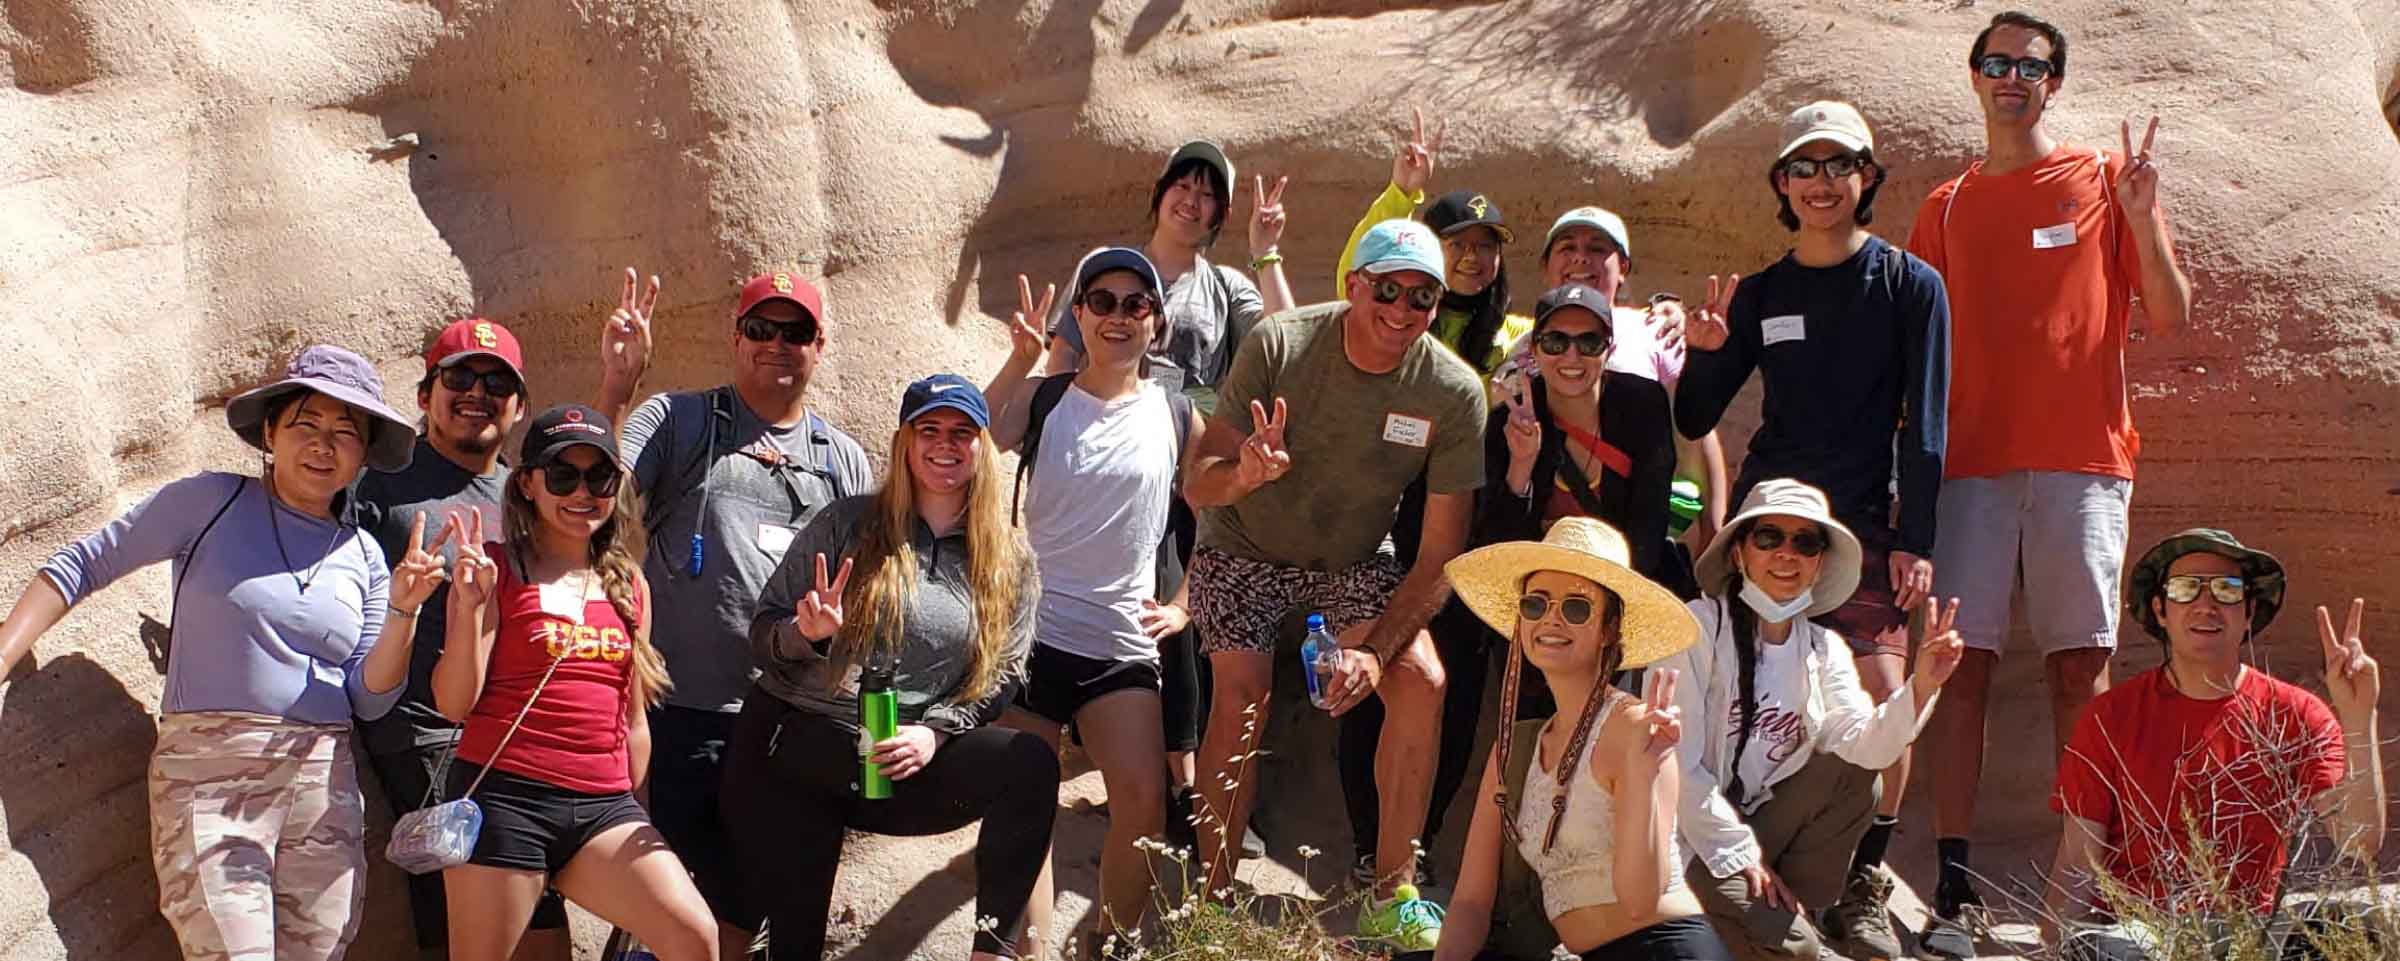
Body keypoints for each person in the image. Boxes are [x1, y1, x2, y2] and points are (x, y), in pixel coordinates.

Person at [1903, 12, 2193, 955]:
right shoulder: (1943, 208)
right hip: (1972, 468)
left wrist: (2145, 218)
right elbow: (1918, 352)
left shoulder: (2103, 182)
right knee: (1963, 669)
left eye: (2030, 66)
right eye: (1996, 63)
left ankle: (2091, 891)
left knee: (2081, 668)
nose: (2011, 78)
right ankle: (1953, 888)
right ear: (1975, 77)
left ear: (2054, 83)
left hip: (2081, 459)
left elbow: (2170, 310)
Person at [0, 345, 423, 960]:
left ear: (363, 455)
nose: (323, 445)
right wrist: (6, 650)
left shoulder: (363, 556)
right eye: (306, 424)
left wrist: (404, 609)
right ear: (270, 432)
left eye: (345, 433)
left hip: (322, 788)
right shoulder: (211, 502)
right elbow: (83, 564)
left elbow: (368, 698)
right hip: (210, 776)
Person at [1676, 101, 1952, 960]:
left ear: (1867, 178)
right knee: (1743, 685)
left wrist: (1919, 537)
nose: (1822, 182)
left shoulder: (1910, 284)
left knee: (1877, 699)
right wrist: (1707, 350)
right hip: (1773, 523)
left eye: (1840, 165)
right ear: (1783, 186)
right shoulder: (1760, 294)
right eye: (1805, 167)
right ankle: (1736, 859)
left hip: (1866, 525)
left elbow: (1929, 423)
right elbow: (1695, 411)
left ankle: (1860, 883)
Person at [1185, 218, 1485, 950]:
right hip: (1243, 545)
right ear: (1355, 283)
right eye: (1387, 288)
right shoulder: (1282, 343)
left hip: (1350, 559)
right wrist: (1246, 473)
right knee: (1242, 692)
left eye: (1422, 296)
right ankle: (1214, 893)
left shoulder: (1453, 392)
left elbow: (1440, 555)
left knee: (1422, 679)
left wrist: (1378, 653)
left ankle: (1392, 890)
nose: (1401, 308)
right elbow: (1200, 483)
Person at [727, 375, 1054, 961]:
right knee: (791, 946)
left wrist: (937, 731)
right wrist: (807, 634)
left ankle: (993, 952)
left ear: (983, 445)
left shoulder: (1010, 558)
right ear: (906, 442)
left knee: (1028, 763)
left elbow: (1005, 674)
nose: (944, 445)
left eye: (961, 432)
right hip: (803, 749)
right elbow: (762, 638)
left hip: (903, 758)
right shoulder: (846, 525)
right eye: (928, 430)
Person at [596, 267, 875, 952]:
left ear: (820, 344)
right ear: (735, 336)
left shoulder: (841, 460)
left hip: (785, 725)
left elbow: (872, 602)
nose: (777, 343)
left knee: (740, 914)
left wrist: (870, 733)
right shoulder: (680, 418)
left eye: (796, 331)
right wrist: (617, 390)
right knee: (658, 911)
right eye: (760, 327)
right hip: (680, 715)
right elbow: (598, 497)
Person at [1040, 140, 1291, 850]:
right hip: (1105, 456)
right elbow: (1061, 364)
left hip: (1184, 454)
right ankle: (1158, 775)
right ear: (1158, 195)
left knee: (1182, 614)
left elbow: (1283, 337)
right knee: (1145, 607)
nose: (1193, 200)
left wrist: (1267, 253)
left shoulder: (1226, 286)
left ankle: (1192, 785)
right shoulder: (1106, 270)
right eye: (1182, 185)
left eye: (1209, 193)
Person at [1331, 114, 1542, 887]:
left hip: (1475, 534)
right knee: (1375, 674)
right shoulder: (1393, 314)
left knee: (1459, 695)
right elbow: (1353, 273)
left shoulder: (1515, 332)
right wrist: (1401, 192)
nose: (1477, 258)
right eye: (1460, 243)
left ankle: (1414, 844)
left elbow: (1578, 337)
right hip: (1388, 529)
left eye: (1487, 246)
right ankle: (1367, 842)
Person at [430, 404, 717, 961]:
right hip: (508, 798)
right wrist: (466, 611)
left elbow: (631, 717)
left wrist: (640, 816)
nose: (582, 492)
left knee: (694, 937)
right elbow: (452, 702)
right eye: (563, 475)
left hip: (604, 807)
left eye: (599, 476)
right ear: (529, 484)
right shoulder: (497, 568)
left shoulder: (630, 584)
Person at [986, 248, 1204, 948]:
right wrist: (1021, 359)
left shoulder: (1177, 414)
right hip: (1036, 636)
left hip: (1120, 642)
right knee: (1027, 805)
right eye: (1101, 301)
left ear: (1155, 322)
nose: (1117, 314)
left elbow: (1223, 515)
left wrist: (1184, 603)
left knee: (1143, 805)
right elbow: (982, 429)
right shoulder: (1048, 396)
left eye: (1134, 303)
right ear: (1078, 315)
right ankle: (1030, 947)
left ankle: (1109, 942)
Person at [1654, 479, 1965, 960]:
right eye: (1769, 537)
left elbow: (1871, 749)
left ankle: (1777, 913)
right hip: (1691, 838)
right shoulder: (1695, 627)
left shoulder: (1824, 648)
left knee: (1857, 775)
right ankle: (1745, 921)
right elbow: (1677, 770)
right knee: (1799, 951)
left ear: (1819, 563)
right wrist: (1743, 857)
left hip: (1764, 831)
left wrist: (1922, 684)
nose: (1787, 554)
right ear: (1739, 553)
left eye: (1806, 542)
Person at [2043, 530, 2384, 961]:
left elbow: (2359, 843)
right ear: (2161, 611)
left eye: (2226, 589)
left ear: (2248, 613)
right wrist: (2054, 948)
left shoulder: (2297, 712)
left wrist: (2358, 715)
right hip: (2144, 935)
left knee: (2358, 925)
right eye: (2186, 589)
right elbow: (2077, 863)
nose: (2206, 605)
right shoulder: (2110, 716)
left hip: (2255, 932)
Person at [349, 317, 573, 961]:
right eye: (460, 377)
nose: (478, 391)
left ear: (519, 408)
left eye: (497, 382)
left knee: (537, 929)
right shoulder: (378, 484)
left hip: (517, 735)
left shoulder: (524, 494)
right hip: (429, 738)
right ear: (425, 395)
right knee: (477, 931)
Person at [1427, 516, 1729, 961]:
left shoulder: (1636, 728)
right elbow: (1472, 901)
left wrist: (1644, 776)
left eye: (1576, 607)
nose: (1551, 619)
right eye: (1536, 604)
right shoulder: (1515, 749)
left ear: (1610, 629)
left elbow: (1640, 901)